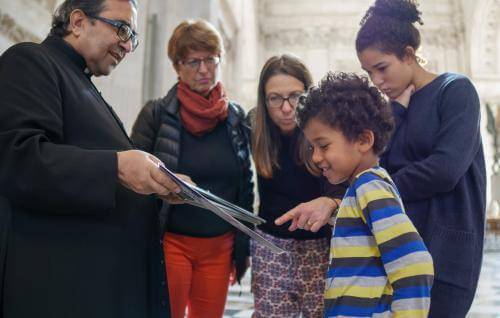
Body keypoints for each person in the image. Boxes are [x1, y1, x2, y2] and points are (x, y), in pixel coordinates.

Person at [0, 0, 182, 317]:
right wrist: (116, 166)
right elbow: (19, 159)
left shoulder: (82, 83)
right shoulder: (30, 60)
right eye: (123, 29)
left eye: (133, 37)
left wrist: (159, 184)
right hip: (61, 287)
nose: (128, 45)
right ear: (78, 21)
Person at [355, 0, 486, 316]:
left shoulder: (455, 91)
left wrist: (380, 189)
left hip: (448, 249)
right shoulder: (393, 108)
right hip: (398, 246)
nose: (376, 80)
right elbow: (378, 166)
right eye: (369, 72)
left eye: (382, 67)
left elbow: (445, 170)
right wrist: (397, 112)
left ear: (409, 54)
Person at [130, 19, 253, 318]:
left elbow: (245, 183)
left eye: (210, 59)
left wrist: (243, 243)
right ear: (177, 66)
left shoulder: (235, 117)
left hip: (220, 246)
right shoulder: (156, 114)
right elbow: (133, 179)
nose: (203, 69)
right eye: (193, 61)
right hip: (171, 242)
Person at [291, 72, 434, 317]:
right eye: (312, 147)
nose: (315, 157)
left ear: (363, 140)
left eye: (323, 145)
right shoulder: (360, 189)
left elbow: (415, 265)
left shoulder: (371, 188)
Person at [248, 54, 345, 317]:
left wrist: (332, 203)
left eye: (295, 96)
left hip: (319, 246)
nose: (287, 108)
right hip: (270, 246)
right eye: (275, 98)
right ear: (264, 100)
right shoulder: (254, 127)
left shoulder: (325, 130)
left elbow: (345, 183)